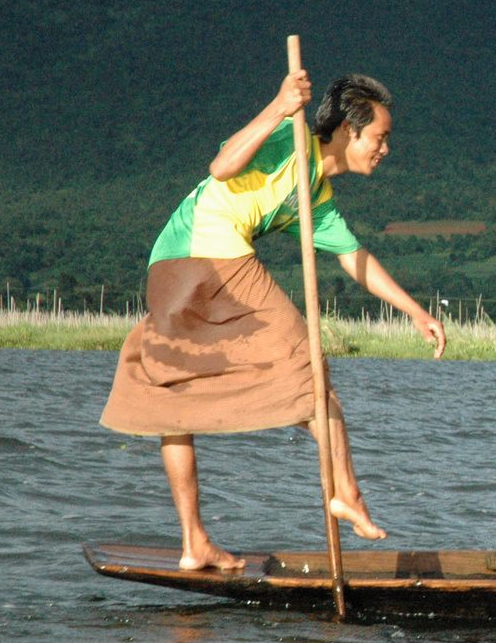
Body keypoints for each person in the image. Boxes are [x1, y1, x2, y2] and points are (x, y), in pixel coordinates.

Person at [100, 71, 446, 570]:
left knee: (172, 397)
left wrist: (415, 312)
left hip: (169, 260)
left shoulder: (315, 197)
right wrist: (281, 105)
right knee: (308, 367)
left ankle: (194, 542)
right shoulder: (293, 137)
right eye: (381, 137)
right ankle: (346, 491)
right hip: (208, 250)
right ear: (350, 131)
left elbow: (354, 258)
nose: (385, 148)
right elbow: (222, 167)